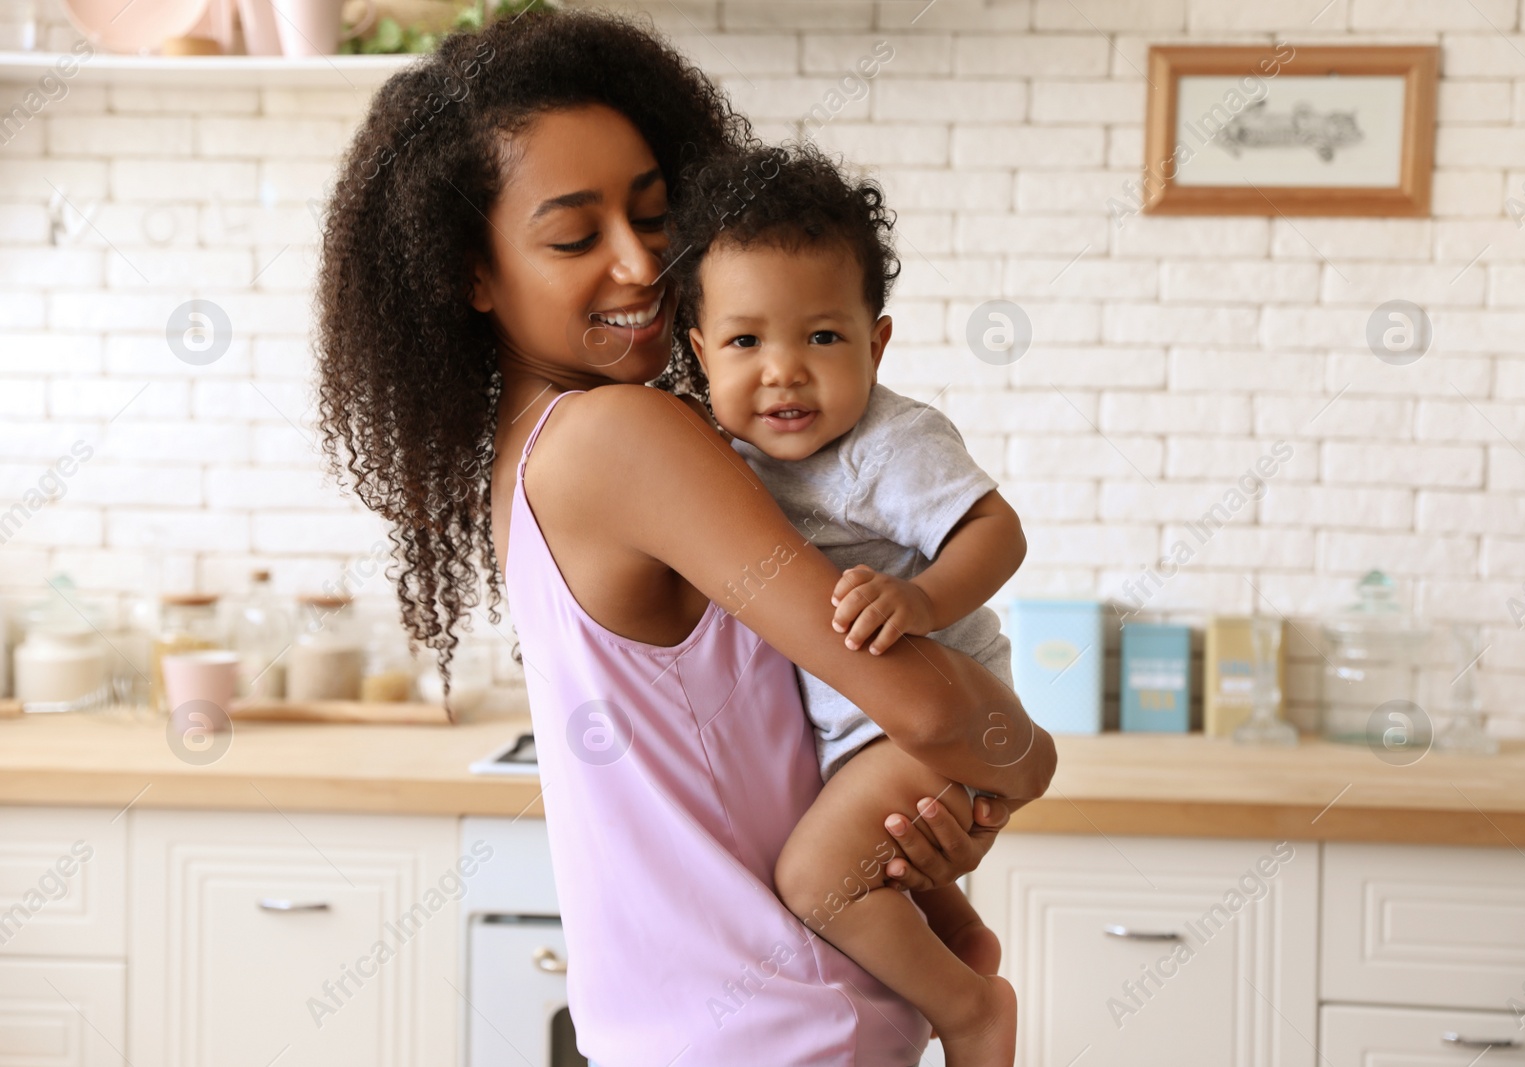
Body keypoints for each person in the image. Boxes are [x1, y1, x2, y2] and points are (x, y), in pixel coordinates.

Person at [313, 10, 1057, 1065]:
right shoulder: (627, 435)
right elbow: (936, 708)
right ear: (469, 272)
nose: (639, 263)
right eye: (574, 236)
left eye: (657, 215)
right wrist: (1020, 761)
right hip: (786, 1030)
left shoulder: (529, 454)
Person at [670, 143, 1026, 1067]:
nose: (783, 371)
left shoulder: (891, 444)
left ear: (877, 342)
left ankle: (969, 1009)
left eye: (821, 337)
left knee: (817, 878)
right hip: (856, 734)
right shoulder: (717, 453)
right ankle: (960, 944)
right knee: (879, 860)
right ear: (702, 352)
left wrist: (918, 595)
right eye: (747, 342)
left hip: (923, 725)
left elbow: (997, 529)